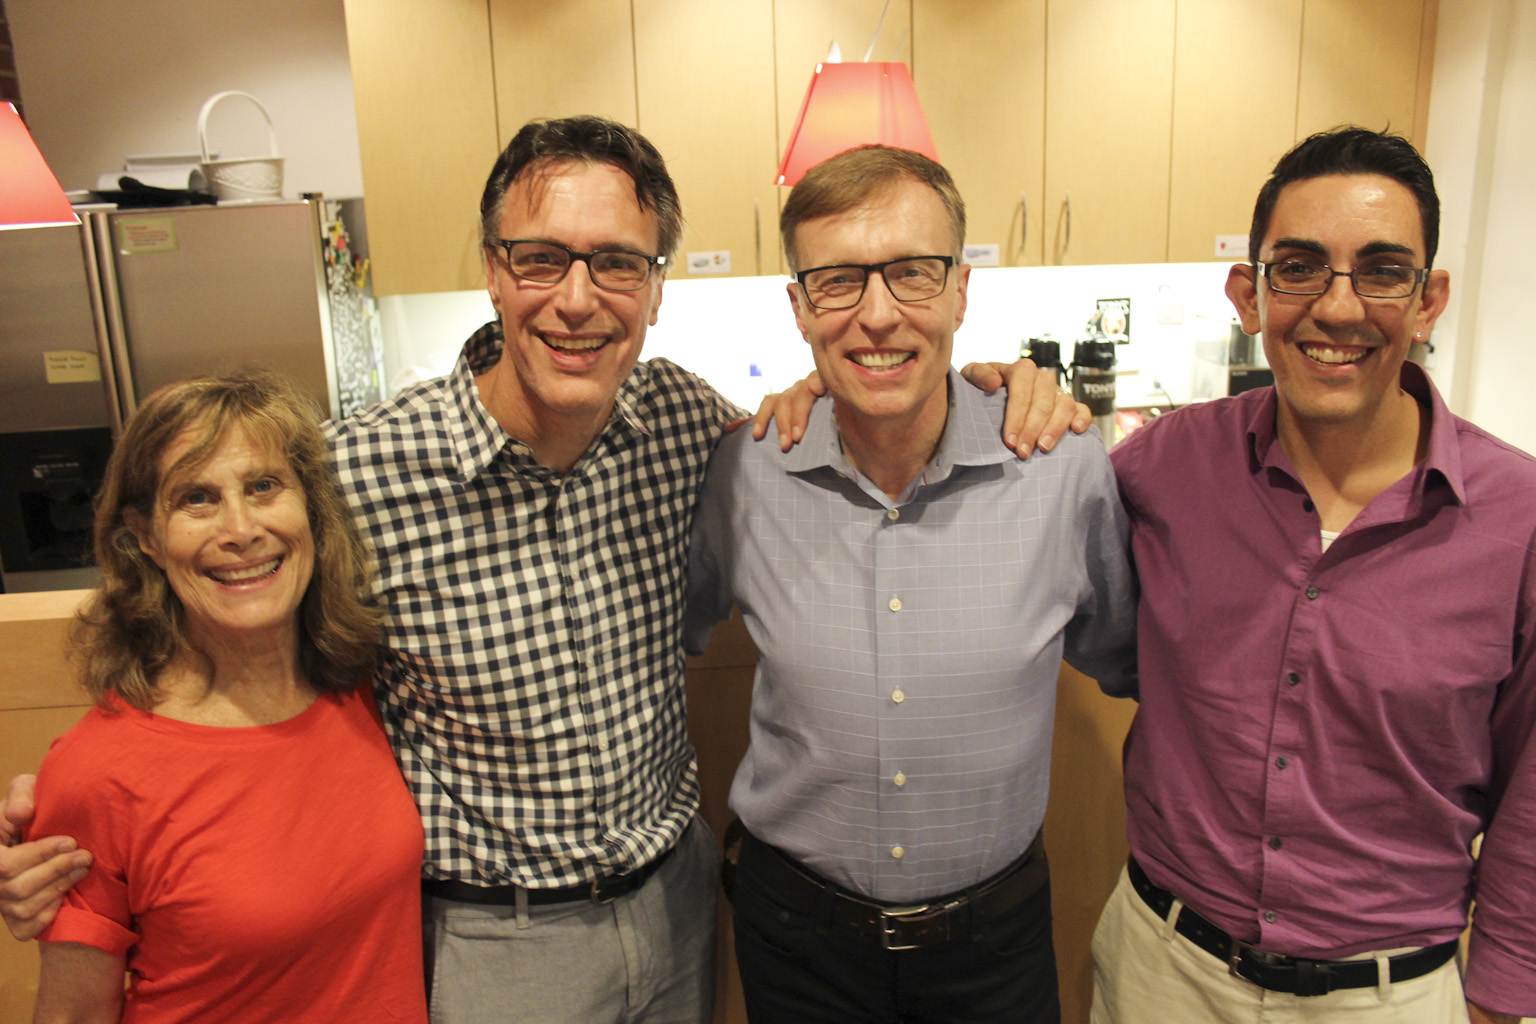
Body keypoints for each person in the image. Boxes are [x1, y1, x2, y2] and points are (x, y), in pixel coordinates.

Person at [1, 117, 1084, 1024]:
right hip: (488, 941)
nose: (578, 298)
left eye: (617, 262)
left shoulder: (691, 432)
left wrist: (1001, 384)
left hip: (678, 912)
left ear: (656, 289)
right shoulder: (360, 470)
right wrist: (70, 808)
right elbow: (213, 619)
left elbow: (872, 383)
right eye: (541, 258)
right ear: (493, 272)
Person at [684, 145, 1138, 1024]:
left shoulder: (1062, 467)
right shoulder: (744, 472)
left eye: (912, 274)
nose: (879, 316)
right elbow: (665, 637)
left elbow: (1129, 661)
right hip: (798, 936)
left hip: (993, 944)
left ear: (962, 291)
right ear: (800, 309)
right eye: (839, 282)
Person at [26, 371, 426, 1024]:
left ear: (310, 509)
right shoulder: (98, 771)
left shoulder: (361, 692)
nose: (239, 530)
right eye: (196, 499)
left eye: (263, 486)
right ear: (146, 536)